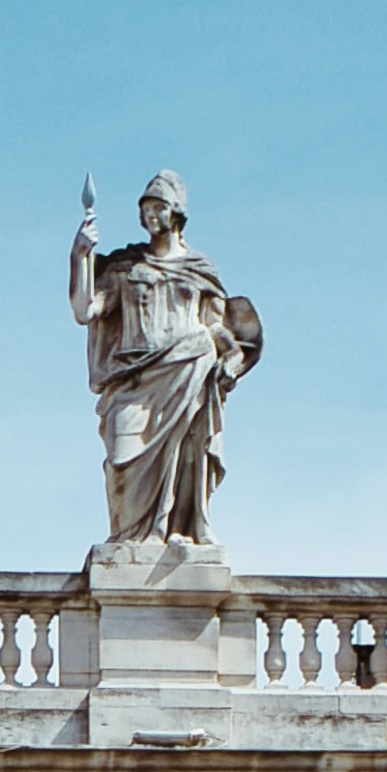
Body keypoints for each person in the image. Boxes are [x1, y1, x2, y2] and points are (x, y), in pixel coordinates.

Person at [66, 172, 265, 548]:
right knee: (122, 461)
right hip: (134, 380)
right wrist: (80, 257)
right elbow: (84, 310)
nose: (150, 215)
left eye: (158, 207)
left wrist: (233, 355)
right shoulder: (126, 268)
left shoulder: (200, 270)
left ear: (176, 212)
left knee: (188, 452)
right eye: (146, 209)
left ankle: (180, 530)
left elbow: (215, 325)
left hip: (191, 368)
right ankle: (130, 540)